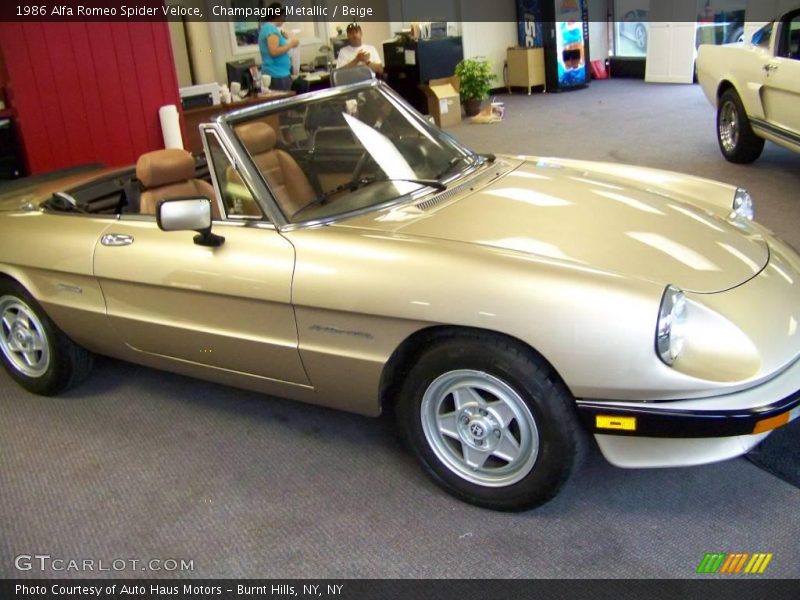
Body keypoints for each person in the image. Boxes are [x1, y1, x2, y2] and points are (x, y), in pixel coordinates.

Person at [258, 2, 299, 92]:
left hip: (279, 74)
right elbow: (274, 51)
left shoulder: (268, 28)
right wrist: (290, 44)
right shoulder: (271, 29)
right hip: (277, 75)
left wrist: (286, 40)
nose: (284, 19)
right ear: (277, 15)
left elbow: (279, 48)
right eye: (283, 16)